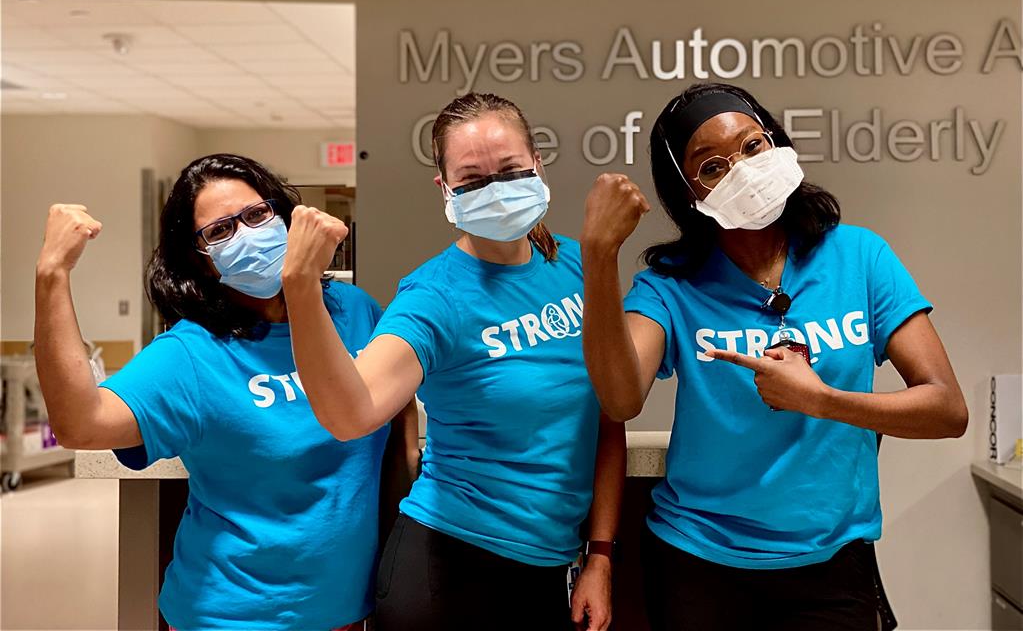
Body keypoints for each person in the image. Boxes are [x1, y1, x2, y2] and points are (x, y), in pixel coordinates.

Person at [580, 82, 968, 631]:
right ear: (688, 193)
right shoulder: (671, 286)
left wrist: (823, 400)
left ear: (776, 143)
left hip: (831, 563)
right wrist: (599, 255)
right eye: (711, 167)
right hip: (698, 562)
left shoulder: (860, 257)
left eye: (752, 146)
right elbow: (619, 398)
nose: (740, 169)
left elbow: (947, 410)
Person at [281, 92, 626, 631]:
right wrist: (300, 286)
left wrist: (601, 553)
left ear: (538, 164)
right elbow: (352, 411)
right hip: (448, 567)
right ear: (445, 190)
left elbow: (609, 418)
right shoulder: (433, 296)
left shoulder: (580, 265)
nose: (496, 190)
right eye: (472, 180)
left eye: (511, 171)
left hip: (550, 565)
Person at [34, 154, 418, 631]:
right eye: (219, 231)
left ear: (283, 214)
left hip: (346, 611)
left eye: (256, 215)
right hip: (231, 614)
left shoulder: (353, 310)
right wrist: (53, 275)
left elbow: (398, 423)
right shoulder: (192, 353)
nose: (248, 235)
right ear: (204, 262)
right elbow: (79, 424)